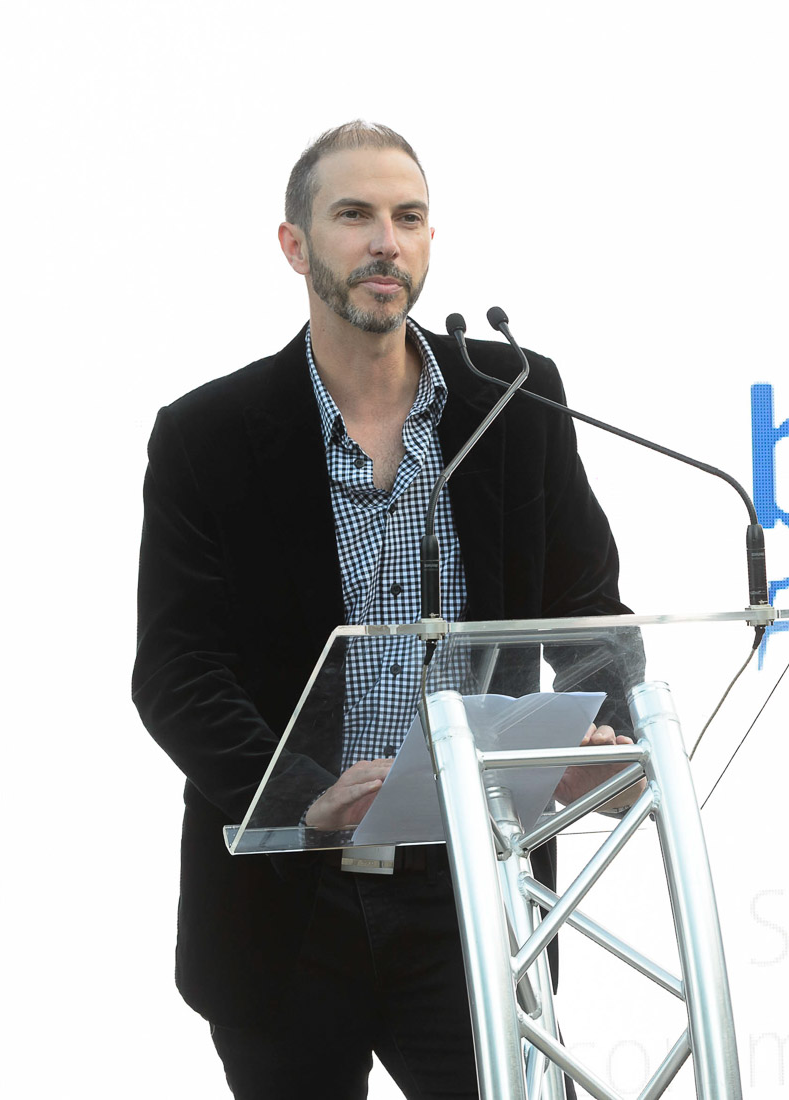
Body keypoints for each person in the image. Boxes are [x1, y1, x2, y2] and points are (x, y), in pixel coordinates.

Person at [133, 120, 634, 1099]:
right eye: (355, 215)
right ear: (295, 245)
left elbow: (585, 607)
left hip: (473, 887)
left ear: (431, 239)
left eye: (408, 218)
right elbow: (177, 670)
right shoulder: (208, 435)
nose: (385, 243)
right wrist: (302, 798)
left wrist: (604, 737)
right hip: (288, 908)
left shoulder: (514, 400)